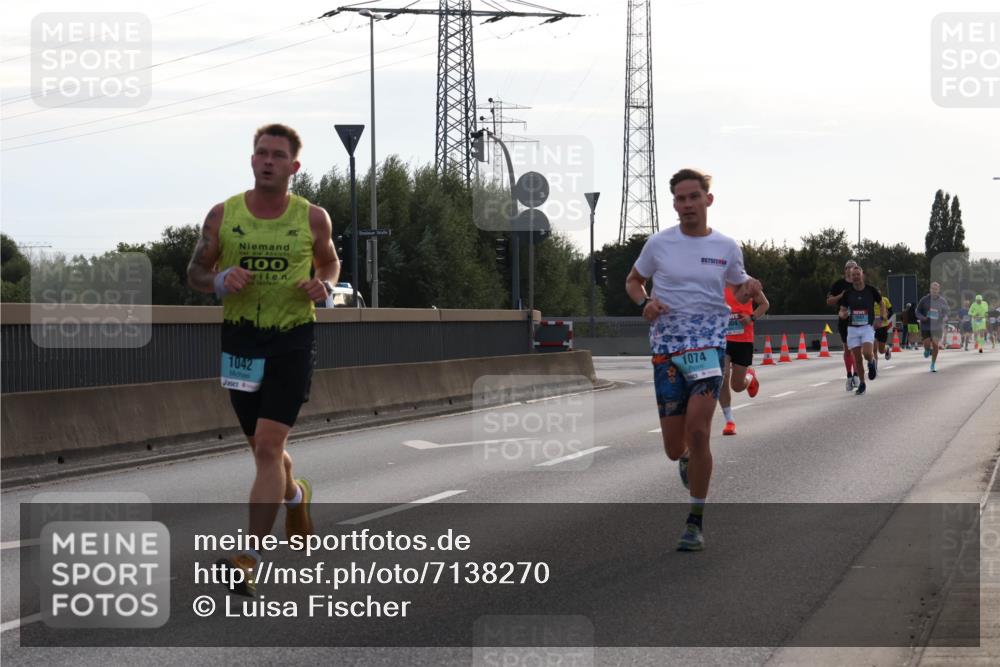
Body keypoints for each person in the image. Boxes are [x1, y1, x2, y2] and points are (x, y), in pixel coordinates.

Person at [186, 123, 339, 596]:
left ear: (294, 167)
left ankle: (248, 558)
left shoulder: (312, 217)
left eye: (277, 155)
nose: (268, 161)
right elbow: (194, 271)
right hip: (241, 340)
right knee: (261, 448)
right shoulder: (222, 214)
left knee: (271, 447)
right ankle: (295, 495)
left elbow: (329, 261)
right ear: (252, 160)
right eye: (261, 153)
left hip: (292, 339)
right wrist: (218, 280)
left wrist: (326, 285)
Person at [626, 168, 762, 552]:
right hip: (667, 347)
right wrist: (645, 302)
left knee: (700, 430)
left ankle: (695, 521)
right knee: (674, 446)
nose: (686, 205)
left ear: (708, 200)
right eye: (680, 199)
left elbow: (738, 286)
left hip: (708, 345)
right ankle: (685, 458)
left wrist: (749, 288)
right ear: (674, 204)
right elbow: (633, 281)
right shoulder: (659, 244)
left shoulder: (726, 247)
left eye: (693, 197)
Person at [719, 286, 769, 436]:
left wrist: (751, 317)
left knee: (737, 386)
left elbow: (765, 304)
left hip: (743, 340)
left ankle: (749, 377)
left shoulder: (747, 282)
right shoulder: (716, 279)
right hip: (722, 339)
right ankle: (729, 421)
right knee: (723, 376)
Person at [838, 265, 883, 395]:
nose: (856, 277)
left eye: (858, 274)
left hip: (867, 327)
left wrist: (881, 317)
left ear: (862, 275)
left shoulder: (871, 290)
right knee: (857, 359)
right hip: (852, 329)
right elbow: (842, 310)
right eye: (853, 275)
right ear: (851, 277)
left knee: (867, 353)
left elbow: (881, 303)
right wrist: (842, 315)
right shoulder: (848, 293)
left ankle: (871, 362)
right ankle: (862, 384)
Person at [827, 260, 860, 391]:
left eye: (853, 267)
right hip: (844, 319)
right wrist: (840, 296)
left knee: (856, 349)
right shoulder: (838, 284)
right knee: (847, 349)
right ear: (845, 270)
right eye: (847, 267)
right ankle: (849, 376)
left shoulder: (860, 284)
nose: (850, 270)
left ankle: (856, 375)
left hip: (858, 319)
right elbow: (829, 301)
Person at [914, 282, 950, 372]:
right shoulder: (924, 300)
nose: (934, 291)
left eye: (936, 289)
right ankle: (927, 350)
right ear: (930, 289)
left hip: (937, 326)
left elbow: (947, 312)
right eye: (933, 289)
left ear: (938, 290)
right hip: (926, 326)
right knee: (926, 344)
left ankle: (933, 364)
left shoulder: (942, 301)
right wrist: (923, 318)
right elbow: (917, 311)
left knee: (935, 345)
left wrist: (945, 317)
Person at [873, 292, 894, 361]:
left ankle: (886, 349)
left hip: (883, 326)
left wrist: (886, 317)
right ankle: (874, 366)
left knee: (881, 351)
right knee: (874, 349)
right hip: (873, 327)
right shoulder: (870, 300)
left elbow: (891, 311)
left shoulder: (885, 300)